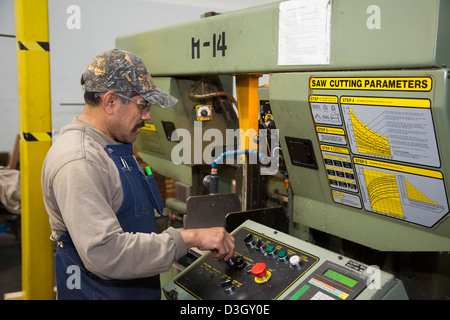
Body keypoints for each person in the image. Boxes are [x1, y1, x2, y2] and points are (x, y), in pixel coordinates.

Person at [41, 49, 235, 300]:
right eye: (142, 105)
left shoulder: (111, 144)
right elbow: (106, 252)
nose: (147, 115)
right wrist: (189, 237)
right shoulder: (80, 160)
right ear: (110, 102)